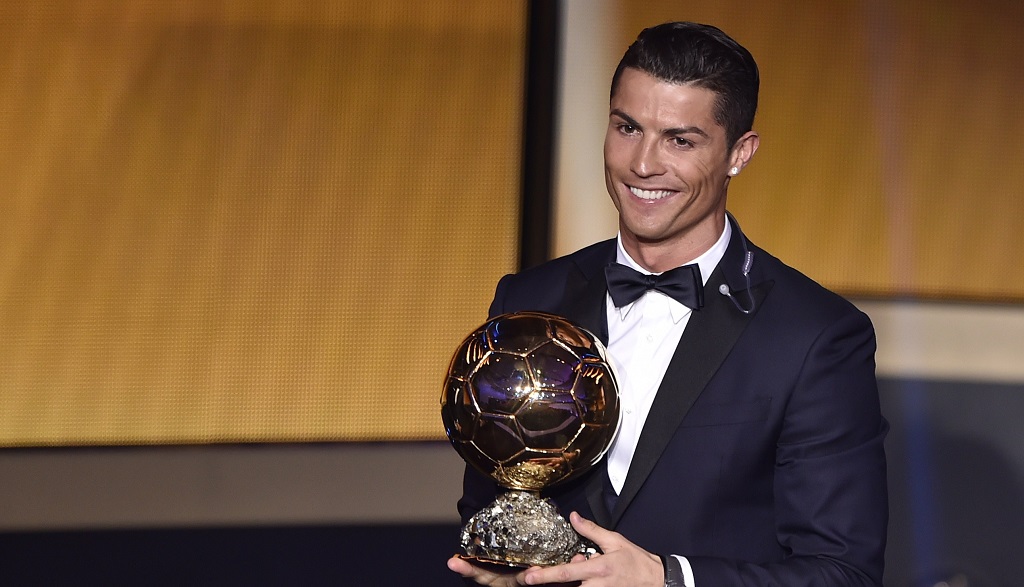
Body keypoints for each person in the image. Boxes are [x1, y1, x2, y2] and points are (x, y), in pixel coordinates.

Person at [448, 21, 888, 586]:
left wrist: (672, 579)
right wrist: (506, 565)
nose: (642, 164)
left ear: (739, 153)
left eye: (680, 140)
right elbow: (491, 501)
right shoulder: (529, 297)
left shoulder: (815, 336)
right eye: (627, 127)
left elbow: (843, 573)